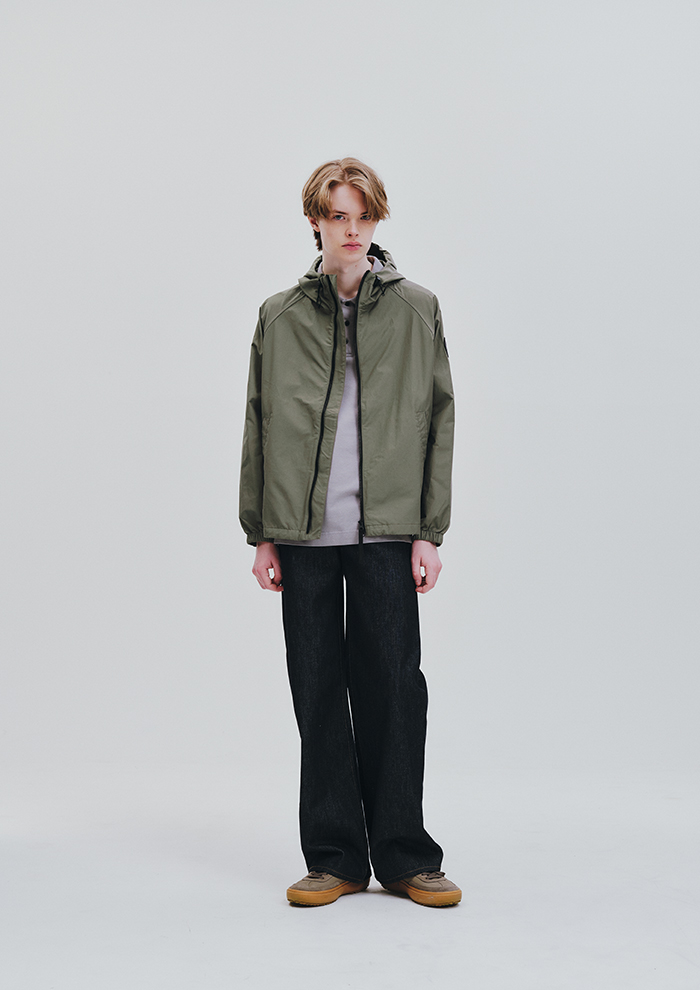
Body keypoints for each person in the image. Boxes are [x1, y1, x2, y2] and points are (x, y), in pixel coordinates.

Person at [239, 158, 460, 908]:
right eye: (339, 216)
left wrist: (428, 531)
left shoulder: (417, 309)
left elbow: (439, 418)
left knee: (394, 690)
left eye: (364, 216)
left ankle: (405, 857)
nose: (353, 229)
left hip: (389, 532)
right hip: (301, 535)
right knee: (318, 692)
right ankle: (334, 858)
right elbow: (258, 423)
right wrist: (261, 533)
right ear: (317, 223)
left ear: (376, 221)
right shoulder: (279, 316)